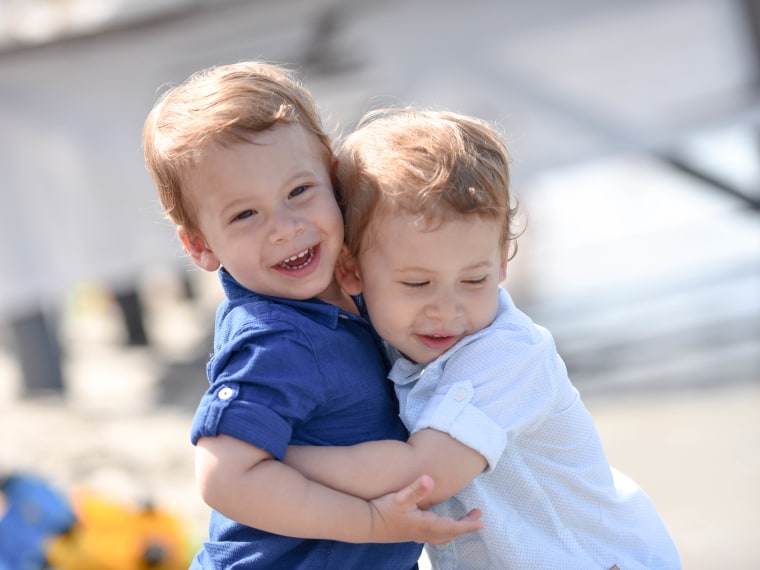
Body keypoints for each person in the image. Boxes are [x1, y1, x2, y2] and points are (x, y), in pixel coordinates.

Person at [285, 107, 682, 569]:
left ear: (503, 262)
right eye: (417, 284)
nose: (448, 309)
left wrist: (277, 459)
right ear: (352, 270)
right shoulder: (394, 339)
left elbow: (424, 476)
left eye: (475, 280)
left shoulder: (507, 356)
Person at [141, 63, 483, 569]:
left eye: (299, 191)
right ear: (200, 245)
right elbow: (224, 476)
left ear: (332, 172)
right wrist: (368, 521)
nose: (284, 228)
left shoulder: (357, 289)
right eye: (244, 215)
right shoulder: (275, 341)